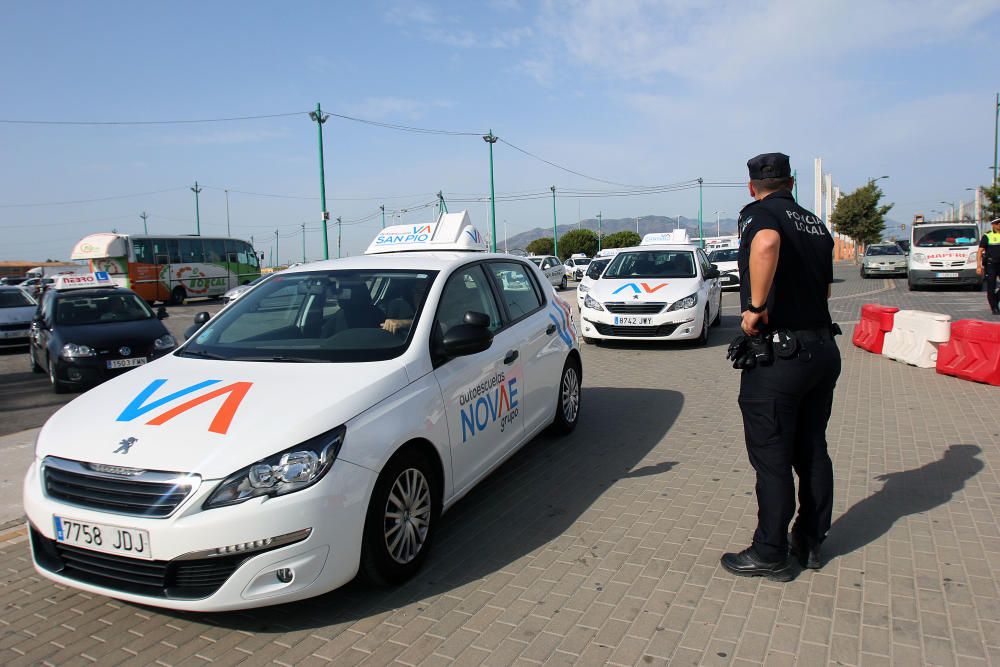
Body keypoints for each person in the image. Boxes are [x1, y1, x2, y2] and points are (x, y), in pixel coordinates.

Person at [721, 153, 841, 581]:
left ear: (751, 186)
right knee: (812, 449)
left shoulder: (759, 214)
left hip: (781, 356)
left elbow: (767, 243)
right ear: (791, 182)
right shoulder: (815, 223)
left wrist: (754, 309)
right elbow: (825, 288)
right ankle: (809, 541)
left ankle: (769, 551)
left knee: (772, 458)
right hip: (822, 349)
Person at [976, 217, 1000, 315]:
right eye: (997, 223)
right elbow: (980, 251)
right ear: (993, 225)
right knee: (991, 287)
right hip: (991, 265)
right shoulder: (987, 236)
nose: (999, 225)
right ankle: (994, 308)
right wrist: (978, 266)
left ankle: (996, 299)